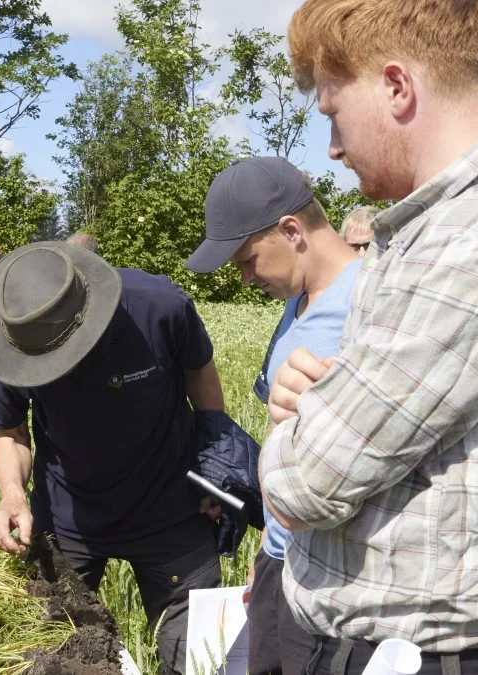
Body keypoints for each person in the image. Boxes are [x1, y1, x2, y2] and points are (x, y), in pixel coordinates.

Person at [262, 1, 478, 673]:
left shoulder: (469, 242)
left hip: (425, 657)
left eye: (334, 113)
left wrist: (288, 425)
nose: (333, 148)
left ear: (398, 87)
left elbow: (302, 486)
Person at [0, 242, 226, 674]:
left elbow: (200, 377)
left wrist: (215, 464)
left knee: (197, 660)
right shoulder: (6, 342)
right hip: (67, 517)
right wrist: (12, 496)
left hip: (171, 511)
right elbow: (11, 432)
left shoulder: (158, 306)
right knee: (50, 651)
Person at [186, 156, 361, 675]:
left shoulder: (372, 305)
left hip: (331, 575)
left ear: (291, 230)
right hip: (281, 556)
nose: (243, 279)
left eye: (246, 260)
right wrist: (266, 541)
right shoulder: (299, 299)